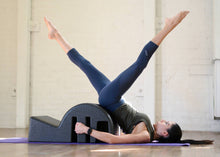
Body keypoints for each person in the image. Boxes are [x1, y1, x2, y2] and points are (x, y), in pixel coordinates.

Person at [44, 11, 213, 144]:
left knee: (140, 65)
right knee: (85, 64)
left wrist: (86, 130)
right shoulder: (149, 129)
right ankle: (56, 35)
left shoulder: (145, 135)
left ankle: (170, 25)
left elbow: (114, 140)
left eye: (166, 123)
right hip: (113, 98)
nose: (163, 120)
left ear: (164, 133)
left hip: (112, 99)